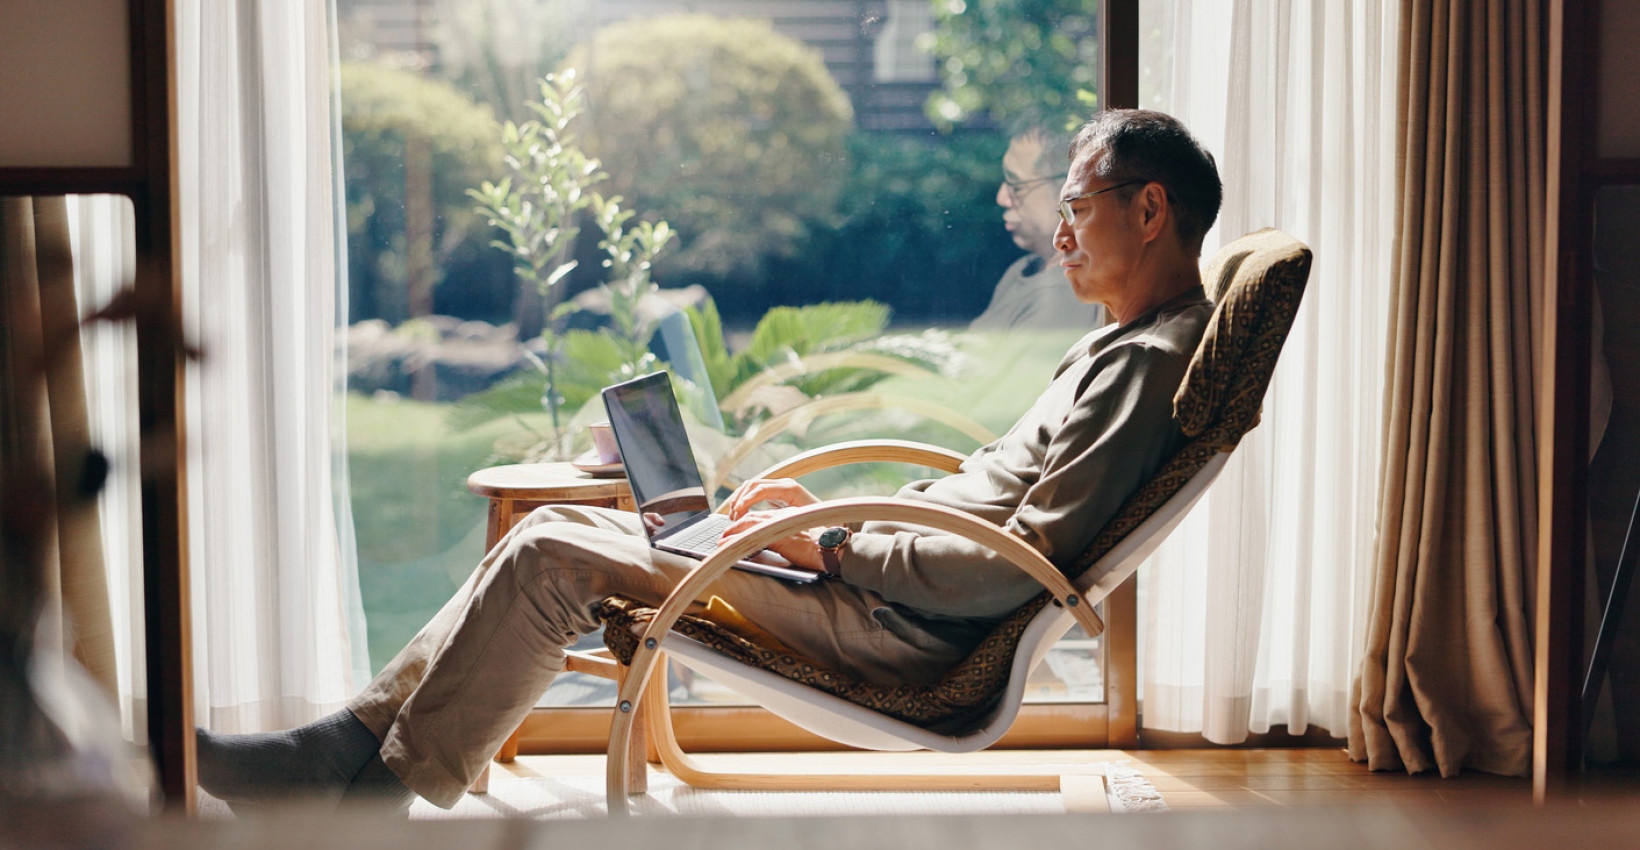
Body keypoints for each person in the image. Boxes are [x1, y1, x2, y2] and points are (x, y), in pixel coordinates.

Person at [195, 108, 1223, 812]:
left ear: (1148, 209)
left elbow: (1008, 567)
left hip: (904, 633)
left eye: (1077, 208)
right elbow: (990, 519)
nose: (1057, 238)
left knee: (554, 555)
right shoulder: (1124, 346)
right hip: (888, 585)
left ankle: (361, 793)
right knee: (561, 532)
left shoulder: (1144, 367)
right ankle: (346, 750)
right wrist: (831, 526)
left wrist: (828, 546)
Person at [970, 124, 1107, 332]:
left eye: (1016, 185)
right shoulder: (1023, 269)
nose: (1002, 198)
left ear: (1067, 189)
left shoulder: (1063, 296)